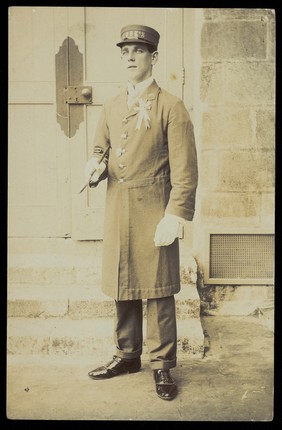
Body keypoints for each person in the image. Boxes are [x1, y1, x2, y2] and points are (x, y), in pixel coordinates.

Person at [84, 24, 198, 401]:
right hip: (119, 208)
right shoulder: (113, 105)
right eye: (125, 51)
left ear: (153, 57)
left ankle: (162, 365)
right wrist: (95, 166)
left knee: (159, 290)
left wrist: (176, 215)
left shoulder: (171, 106)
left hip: (155, 210)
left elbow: (185, 170)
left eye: (138, 50)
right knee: (123, 285)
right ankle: (127, 355)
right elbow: (101, 147)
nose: (130, 57)